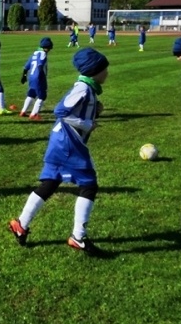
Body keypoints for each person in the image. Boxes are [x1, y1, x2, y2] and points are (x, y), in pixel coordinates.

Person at [8, 47, 110, 256]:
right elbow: (60, 111)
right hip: (68, 144)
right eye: (104, 69)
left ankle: (21, 225)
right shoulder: (83, 88)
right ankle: (78, 237)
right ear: (94, 71)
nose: (107, 73)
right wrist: (87, 124)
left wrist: (95, 112)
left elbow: (76, 112)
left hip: (60, 141)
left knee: (50, 182)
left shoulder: (87, 89)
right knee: (89, 184)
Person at [20, 37, 53, 120]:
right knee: (42, 96)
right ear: (46, 48)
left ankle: (23, 111)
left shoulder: (34, 54)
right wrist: (41, 76)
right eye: (49, 48)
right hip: (39, 77)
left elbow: (26, 67)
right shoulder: (43, 54)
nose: (49, 50)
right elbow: (40, 65)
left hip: (31, 76)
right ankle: (34, 114)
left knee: (32, 93)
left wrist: (24, 76)